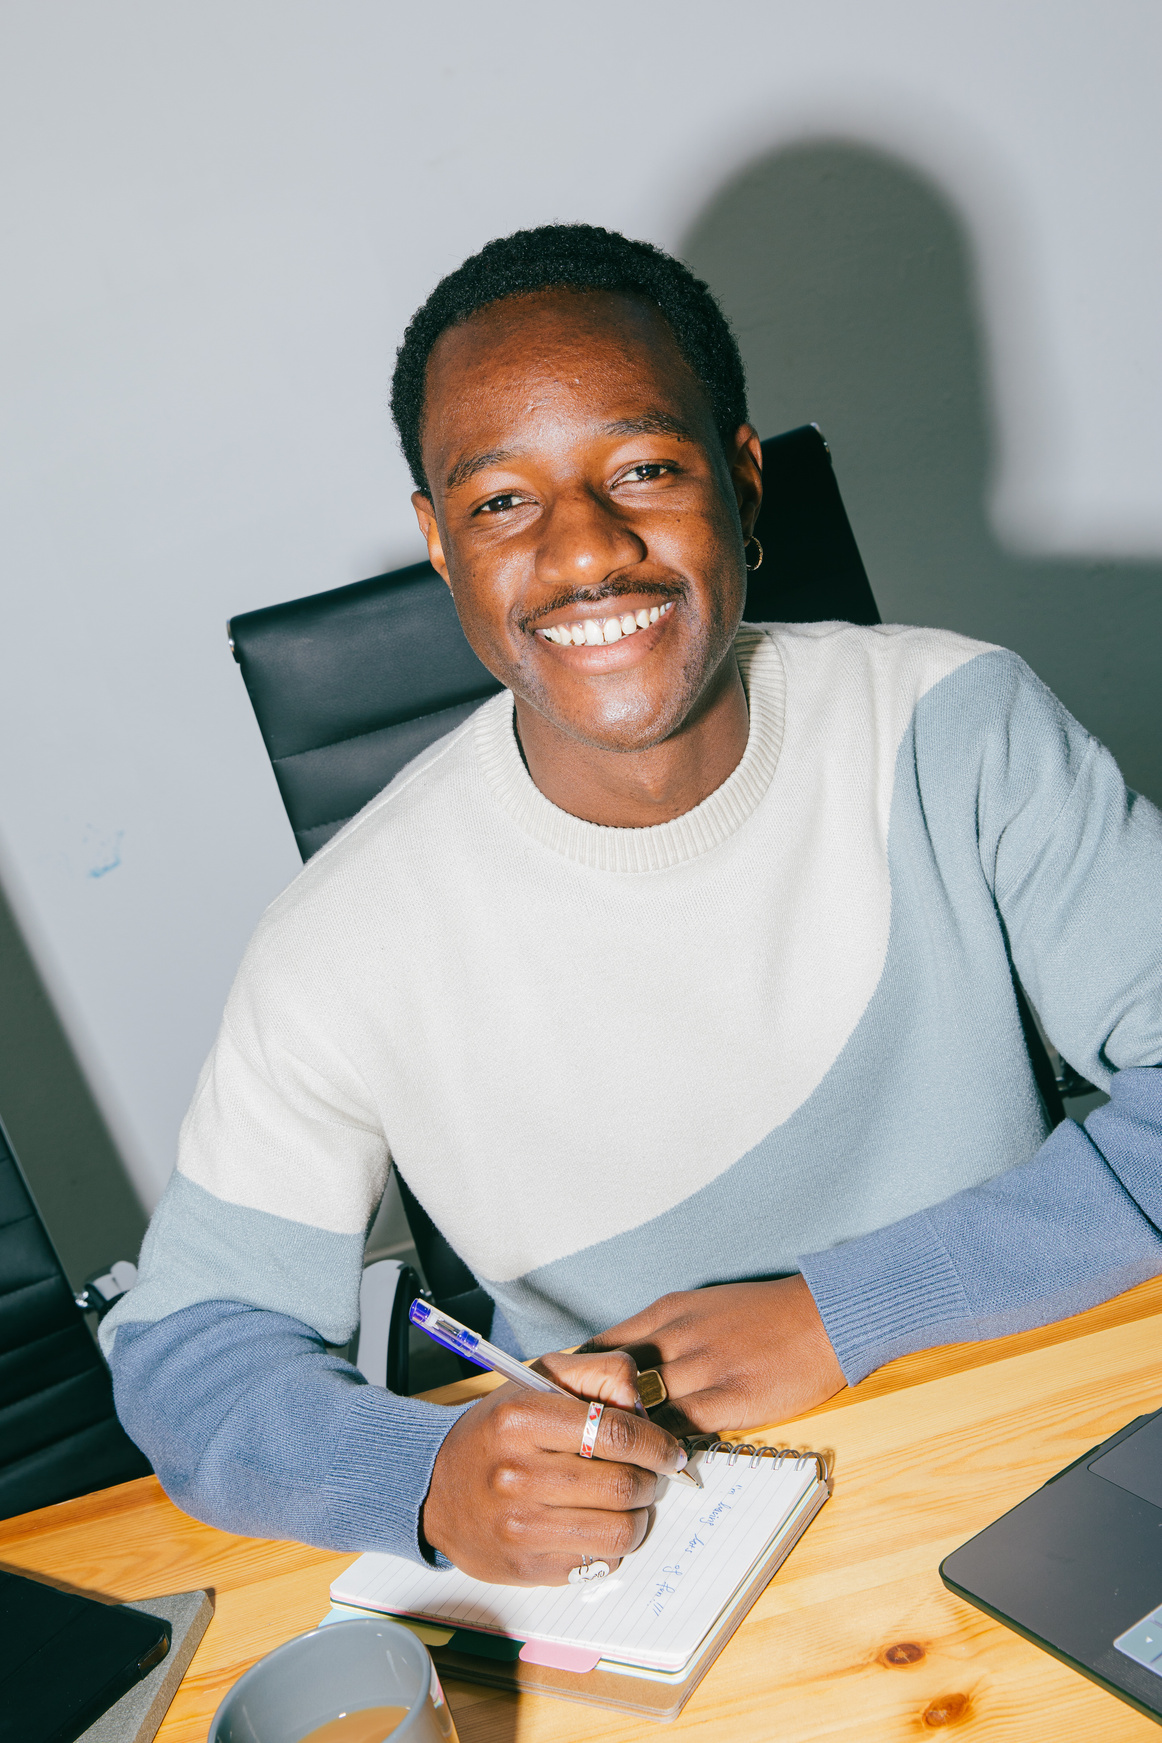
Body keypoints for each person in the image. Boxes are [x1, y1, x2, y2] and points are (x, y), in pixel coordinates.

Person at [102, 224, 1162, 1586]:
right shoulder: (338, 942)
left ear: (740, 477)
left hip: (1031, 1412)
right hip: (685, 1553)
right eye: (499, 503)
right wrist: (422, 1476)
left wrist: (846, 1311)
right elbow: (187, 1355)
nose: (586, 549)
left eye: (643, 469)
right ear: (438, 545)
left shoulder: (952, 723)